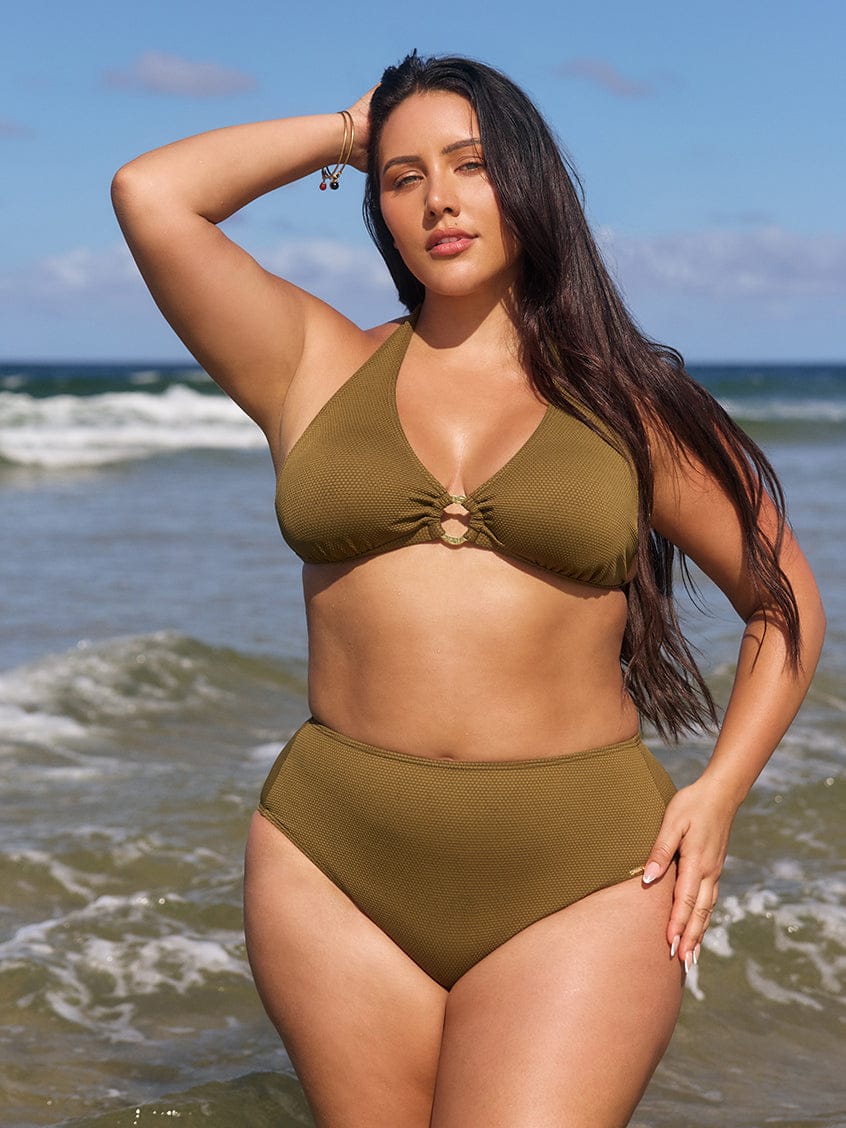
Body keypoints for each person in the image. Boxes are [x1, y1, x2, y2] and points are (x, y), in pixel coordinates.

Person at [112, 52, 825, 1128]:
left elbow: (784, 605)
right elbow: (151, 194)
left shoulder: (634, 404)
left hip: (583, 872)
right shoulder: (311, 363)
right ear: (380, 211)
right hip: (333, 865)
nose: (439, 199)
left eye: (471, 164)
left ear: (528, 181)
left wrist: (717, 792)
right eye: (403, 179)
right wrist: (352, 129)